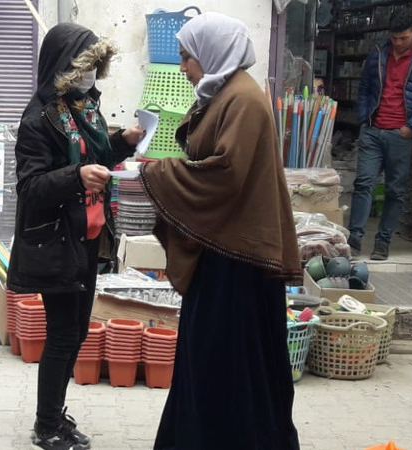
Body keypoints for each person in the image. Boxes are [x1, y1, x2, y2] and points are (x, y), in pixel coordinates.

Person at [138, 13, 301, 450]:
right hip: (223, 250)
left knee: (226, 364)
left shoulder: (242, 100)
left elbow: (226, 173)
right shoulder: (224, 94)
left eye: (187, 57)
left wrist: (158, 173)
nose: (182, 68)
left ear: (212, 53)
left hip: (237, 263)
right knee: (211, 361)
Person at [6, 23, 143, 450]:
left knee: (78, 332)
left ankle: (54, 415)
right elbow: (30, 187)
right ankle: (47, 424)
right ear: (64, 67)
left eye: (96, 66)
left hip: (88, 235)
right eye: (85, 65)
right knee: (64, 334)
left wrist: (123, 141)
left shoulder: (85, 108)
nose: (91, 74)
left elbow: (96, 156)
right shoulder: (38, 119)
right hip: (56, 240)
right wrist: (76, 176)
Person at [349, 8, 412, 260]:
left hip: (401, 134)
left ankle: (383, 242)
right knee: (363, 183)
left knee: (395, 191)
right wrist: (364, 120)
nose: (398, 43)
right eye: (394, 38)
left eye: (404, 38)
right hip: (373, 130)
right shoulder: (378, 53)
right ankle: (354, 240)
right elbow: (365, 89)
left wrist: (411, 128)